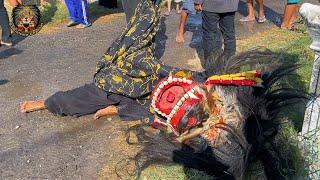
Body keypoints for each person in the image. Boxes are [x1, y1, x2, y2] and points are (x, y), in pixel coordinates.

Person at [195, 0, 239, 70]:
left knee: (210, 35)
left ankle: (210, 66)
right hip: (229, 5)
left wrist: (198, 2)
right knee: (229, 34)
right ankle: (229, 63)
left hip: (211, 5)